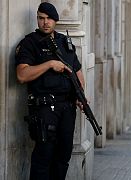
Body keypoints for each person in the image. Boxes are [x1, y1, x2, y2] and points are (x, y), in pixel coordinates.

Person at [15, 2, 84, 179]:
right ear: (37, 19)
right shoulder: (30, 43)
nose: (45, 22)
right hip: (44, 108)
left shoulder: (64, 42)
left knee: (63, 157)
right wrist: (49, 64)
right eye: (41, 18)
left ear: (56, 20)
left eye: (49, 19)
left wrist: (80, 96)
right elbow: (22, 75)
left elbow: (77, 70)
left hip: (67, 108)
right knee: (43, 157)